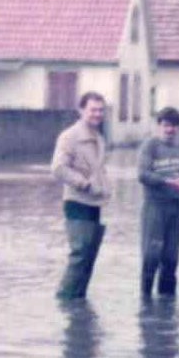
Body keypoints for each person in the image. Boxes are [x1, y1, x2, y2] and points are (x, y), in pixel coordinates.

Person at [50, 92, 111, 300]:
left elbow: (97, 170)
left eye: (101, 110)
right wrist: (83, 184)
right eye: (93, 110)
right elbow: (58, 168)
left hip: (94, 203)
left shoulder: (99, 137)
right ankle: (64, 302)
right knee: (79, 256)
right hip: (76, 202)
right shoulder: (70, 136)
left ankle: (79, 309)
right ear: (81, 110)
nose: (97, 114)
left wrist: (103, 188)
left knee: (89, 258)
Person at [136, 107, 179, 299]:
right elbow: (142, 175)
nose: (170, 130)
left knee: (171, 259)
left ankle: (167, 308)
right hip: (154, 206)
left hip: (174, 207)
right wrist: (171, 181)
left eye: (174, 126)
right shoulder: (150, 146)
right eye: (166, 125)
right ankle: (145, 303)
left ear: (178, 128)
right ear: (159, 126)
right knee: (151, 256)